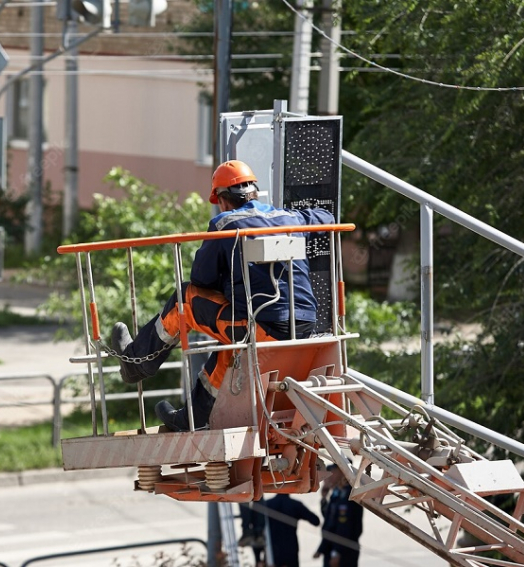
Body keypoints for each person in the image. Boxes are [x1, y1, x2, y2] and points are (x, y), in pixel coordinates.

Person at [111, 160, 335, 431]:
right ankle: (192, 418)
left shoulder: (225, 223)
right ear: (255, 192)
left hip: (262, 327)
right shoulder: (288, 218)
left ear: (221, 200)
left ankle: (137, 363)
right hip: (305, 325)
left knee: (185, 298)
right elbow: (327, 218)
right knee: (230, 345)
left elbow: (200, 279)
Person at [314, 462, 364, 567]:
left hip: (344, 552)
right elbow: (329, 520)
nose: (330, 477)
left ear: (342, 472)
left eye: (333, 472)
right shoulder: (337, 492)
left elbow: (344, 527)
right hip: (332, 548)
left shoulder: (349, 495)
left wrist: (337, 553)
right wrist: (324, 498)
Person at [265, 492, 321, 567]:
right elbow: (315, 521)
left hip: (273, 552)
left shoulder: (267, 505)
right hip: (291, 551)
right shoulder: (295, 505)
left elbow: (258, 529)